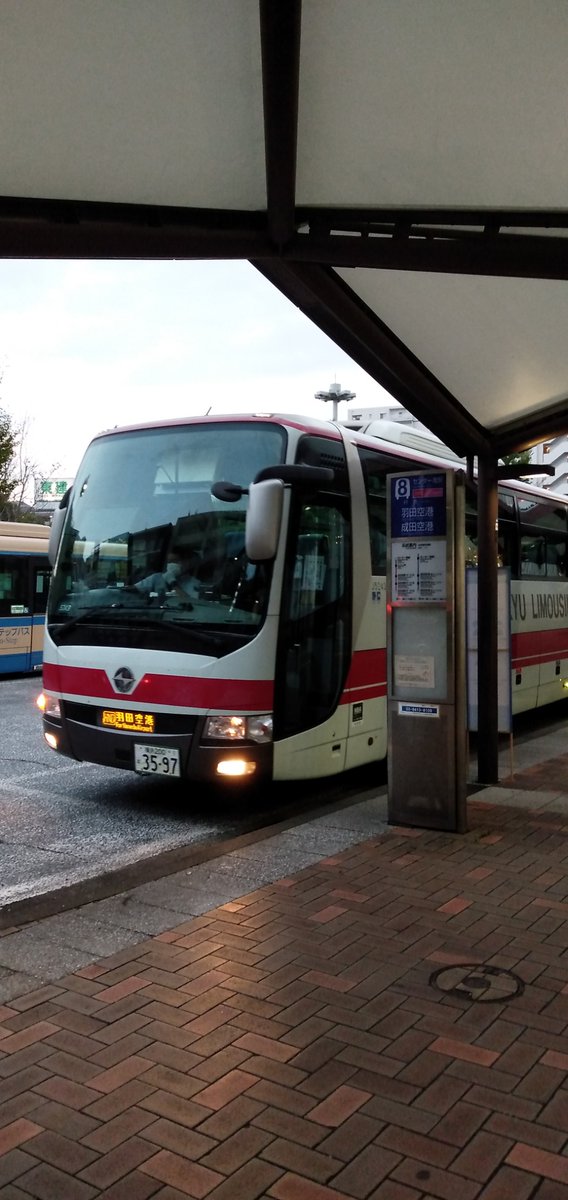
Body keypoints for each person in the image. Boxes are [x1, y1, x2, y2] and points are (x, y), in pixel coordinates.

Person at [135, 548, 200, 599]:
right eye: (169, 562)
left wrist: (172, 582)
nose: (171, 564)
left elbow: (190, 602)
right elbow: (134, 589)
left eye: (174, 561)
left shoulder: (194, 583)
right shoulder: (157, 577)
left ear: (185, 563)